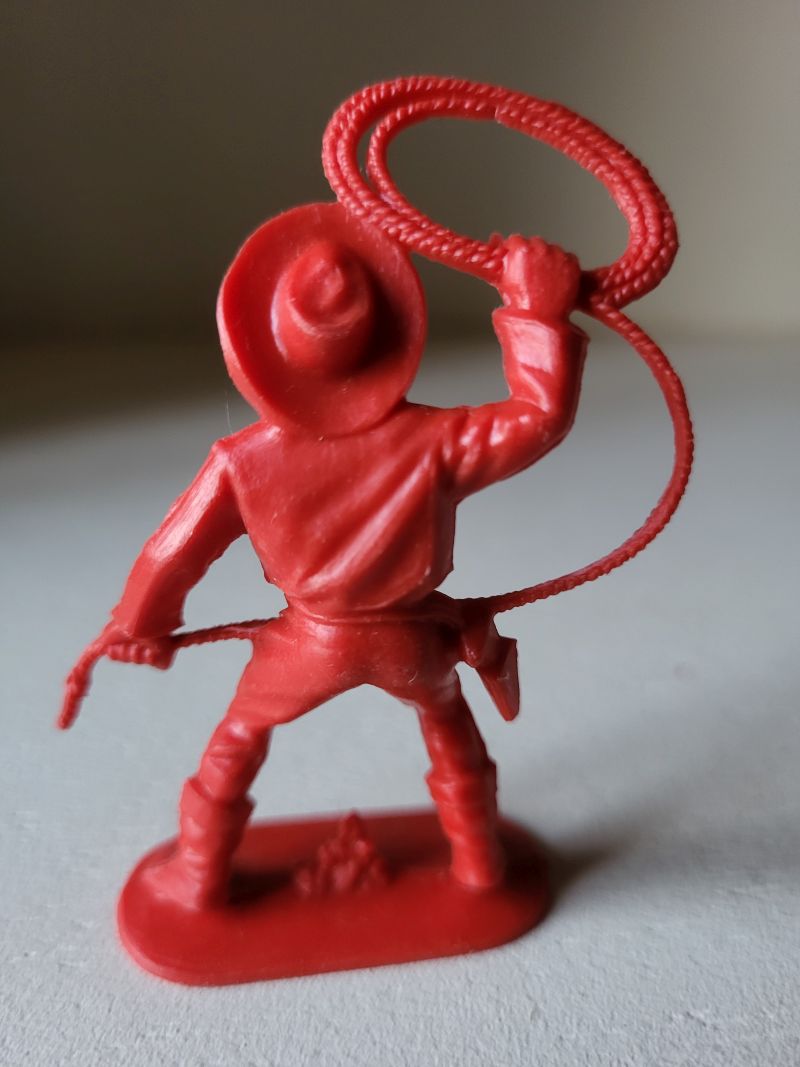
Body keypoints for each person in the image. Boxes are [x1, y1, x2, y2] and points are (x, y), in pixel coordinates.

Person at [93, 202, 587, 908]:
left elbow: (171, 555)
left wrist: (140, 624)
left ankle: (199, 873)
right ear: (388, 332)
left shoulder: (240, 460)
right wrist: (537, 311)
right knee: (449, 727)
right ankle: (480, 861)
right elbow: (538, 418)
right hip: (411, 642)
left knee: (237, 740)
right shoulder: (434, 439)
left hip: (310, 642)